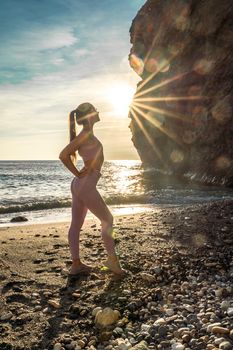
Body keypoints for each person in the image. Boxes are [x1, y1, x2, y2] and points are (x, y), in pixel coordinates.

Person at [59, 102, 124, 276]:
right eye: (95, 109)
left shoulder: (87, 134)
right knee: (108, 220)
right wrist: (78, 173)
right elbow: (63, 155)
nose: (98, 111)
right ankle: (112, 261)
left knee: (76, 225)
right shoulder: (86, 134)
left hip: (80, 185)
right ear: (89, 115)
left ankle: (76, 264)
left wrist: (81, 173)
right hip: (85, 184)